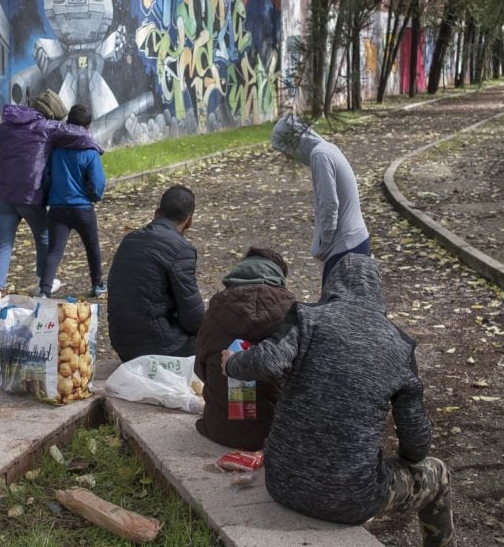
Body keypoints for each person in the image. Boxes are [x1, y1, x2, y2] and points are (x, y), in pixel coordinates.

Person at [222, 253, 455, 547]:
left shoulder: (307, 318)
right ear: (377, 291)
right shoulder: (400, 345)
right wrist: (403, 459)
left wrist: (232, 363)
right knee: (440, 473)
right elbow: (418, 444)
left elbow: (268, 363)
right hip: (352, 498)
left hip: (282, 482)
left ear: (331, 285)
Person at [0, 90, 100, 314]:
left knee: (4, 244)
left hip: (5, 194)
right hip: (30, 196)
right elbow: (78, 134)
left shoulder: (6, 126)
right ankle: (45, 282)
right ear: (50, 114)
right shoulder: (46, 128)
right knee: (44, 238)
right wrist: (97, 149)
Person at [194, 247, 295, 451]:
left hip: (220, 429)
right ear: (279, 279)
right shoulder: (294, 314)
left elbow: (200, 371)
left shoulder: (214, 312)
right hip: (277, 434)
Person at [106, 185, 204, 361]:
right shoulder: (182, 249)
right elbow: (193, 319)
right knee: (216, 341)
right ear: (189, 221)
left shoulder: (129, 240)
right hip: (159, 347)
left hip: (122, 344)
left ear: (156, 212)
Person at [271, 115, 369, 285]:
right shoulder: (327, 149)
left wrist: (324, 241)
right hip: (354, 241)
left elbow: (329, 204)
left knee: (335, 309)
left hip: (346, 247)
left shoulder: (320, 155)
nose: (288, 157)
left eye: (285, 150)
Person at [39, 104, 107, 299]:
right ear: (87, 127)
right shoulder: (90, 151)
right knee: (92, 246)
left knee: (54, 251)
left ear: (68, 123)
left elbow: (47, 177)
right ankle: (97, 285)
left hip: (58, 208)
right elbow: (97, 182)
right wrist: (93, 196)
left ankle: (44, 291)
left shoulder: (55, 149)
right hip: (83, 208)